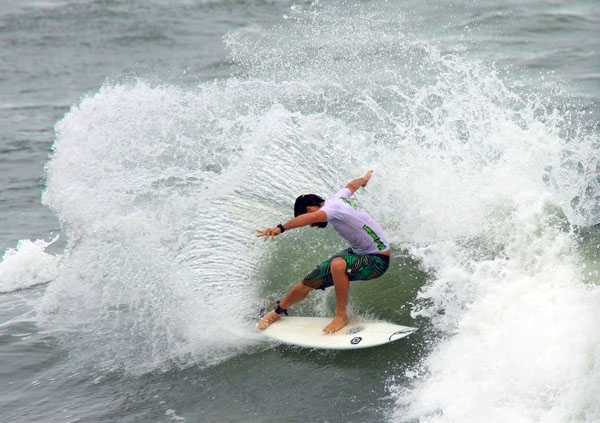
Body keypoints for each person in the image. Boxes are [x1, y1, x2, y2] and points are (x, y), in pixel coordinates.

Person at [256, 170, 391, 334]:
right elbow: (351, 185)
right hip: (358, 253)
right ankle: (277, 313)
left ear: (310, 208)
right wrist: (364, 179)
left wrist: (280, 228)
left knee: (338, 264)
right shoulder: (339, 197)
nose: (312, 224)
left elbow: (306, 219)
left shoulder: (331, 209)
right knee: (308, 281)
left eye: (311, 217)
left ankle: (341, 316)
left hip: (377, 260)